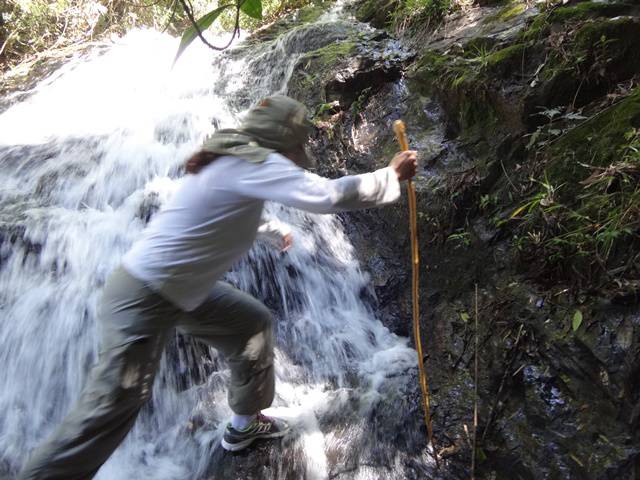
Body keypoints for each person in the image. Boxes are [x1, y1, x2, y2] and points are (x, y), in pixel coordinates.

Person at [18, 95, 417, 479]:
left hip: (176, 289)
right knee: (111, 407)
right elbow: (327, 196)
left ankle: (244, 425)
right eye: (297, 147)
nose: (299, 156)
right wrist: (388, 175)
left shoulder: (231, 162)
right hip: (145, 295)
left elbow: (217, 212)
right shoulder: (253, 162)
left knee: (250, 327)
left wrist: (271, 230)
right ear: (281, 142)